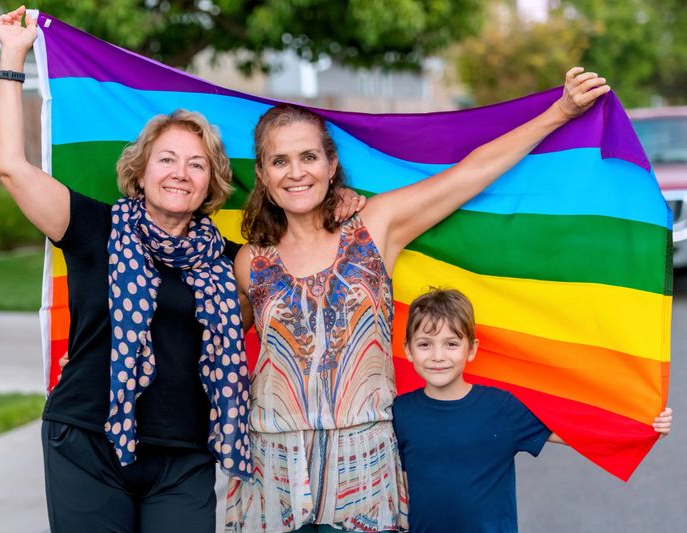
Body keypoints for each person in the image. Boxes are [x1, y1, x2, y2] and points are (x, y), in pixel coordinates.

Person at [226, 68, 615, 532]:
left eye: (308, 157)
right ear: (262, 174)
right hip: (272, 468)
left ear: (331, 166)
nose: (295, 172)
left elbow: (470, 173)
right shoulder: (251, 262)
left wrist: (562, 111)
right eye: (279, 161)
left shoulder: (373, 227)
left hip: (365, 467)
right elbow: (218, 344)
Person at [0, 7, 252, 532]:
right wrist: (12, 57)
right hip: (86, 438)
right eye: (168, 159)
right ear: (140, 169)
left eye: (196, 164)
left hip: (184, 455)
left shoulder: (231, 260)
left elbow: (290, 282)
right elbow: (10, 167)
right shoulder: (94, 226)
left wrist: (344, 205)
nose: (181, 173)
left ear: (212, 183)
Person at [392, 288, 673, 533]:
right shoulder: (399, 414)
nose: (438, 356)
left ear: (471, 350)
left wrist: (642, 426)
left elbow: (577, 434)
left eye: (451, 344)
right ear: (408, 350)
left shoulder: (502, 408)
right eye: (425, 345)